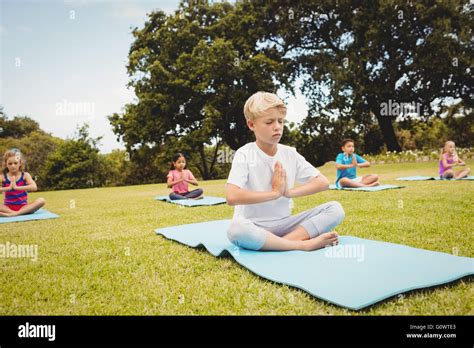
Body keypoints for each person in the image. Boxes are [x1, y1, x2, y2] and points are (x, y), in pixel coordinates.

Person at [225, 91, 345, 251]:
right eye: (269, 122)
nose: (277, 127)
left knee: (335, 209)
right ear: (251, 125)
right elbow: (232, 196)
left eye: (280, 121)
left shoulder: (289, 153)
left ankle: (280, 244)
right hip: (253, 226)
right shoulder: (245, 153)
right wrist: (274, 193)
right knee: (236, 229)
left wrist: (288, 192)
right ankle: (302, 244)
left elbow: (322, 182)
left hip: (285, 225)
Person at [0, 149, 45, 217]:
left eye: (15, 163)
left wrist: (16, 187)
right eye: (10, 163)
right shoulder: (3, 177)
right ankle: (13, 212)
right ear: (6, 164)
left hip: (23, 207)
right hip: (7, 208)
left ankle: (15, 214)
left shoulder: (25, 175)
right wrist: (8, 188)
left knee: (41, 200)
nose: (13, 166)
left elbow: (34, 187)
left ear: (20, 163)